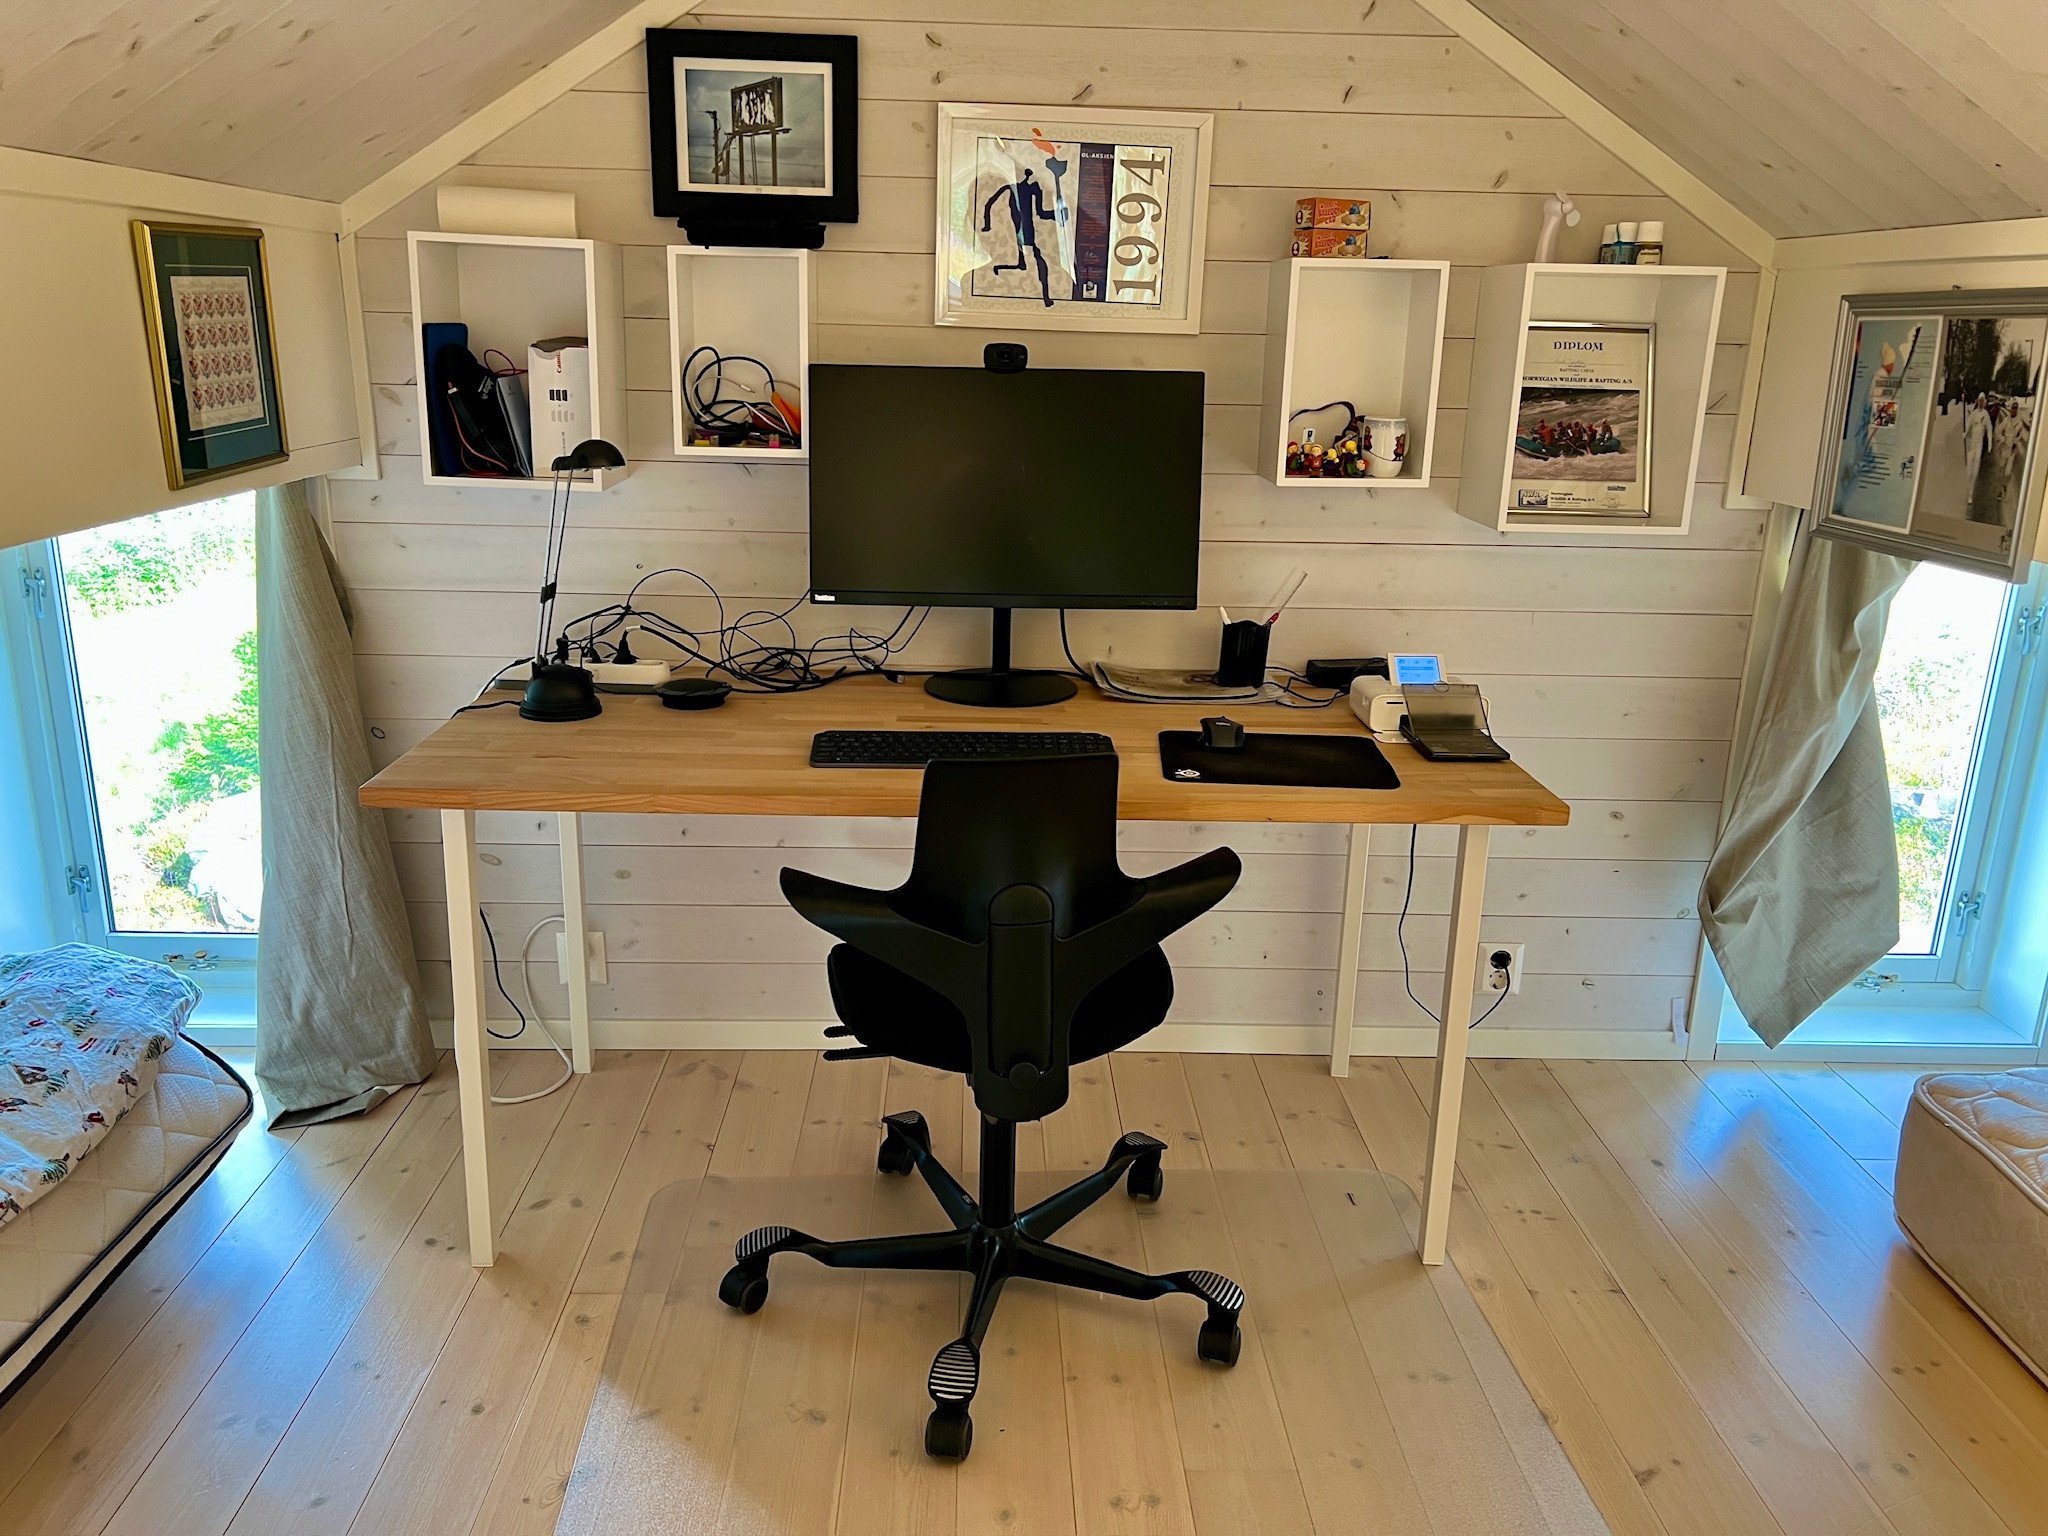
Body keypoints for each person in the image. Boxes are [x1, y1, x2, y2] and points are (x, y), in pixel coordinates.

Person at [981, 169, 1058, 307]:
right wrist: (987, 224)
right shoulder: (1015, 188)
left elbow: (1041, 213)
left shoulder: (1028, 188)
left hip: (1023, 230)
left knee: (1035, 255)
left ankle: (1046, 296)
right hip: (1019, 230)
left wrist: (1057, 215)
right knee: (1034, 255)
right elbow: (1042, 213)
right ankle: (1045, 296)